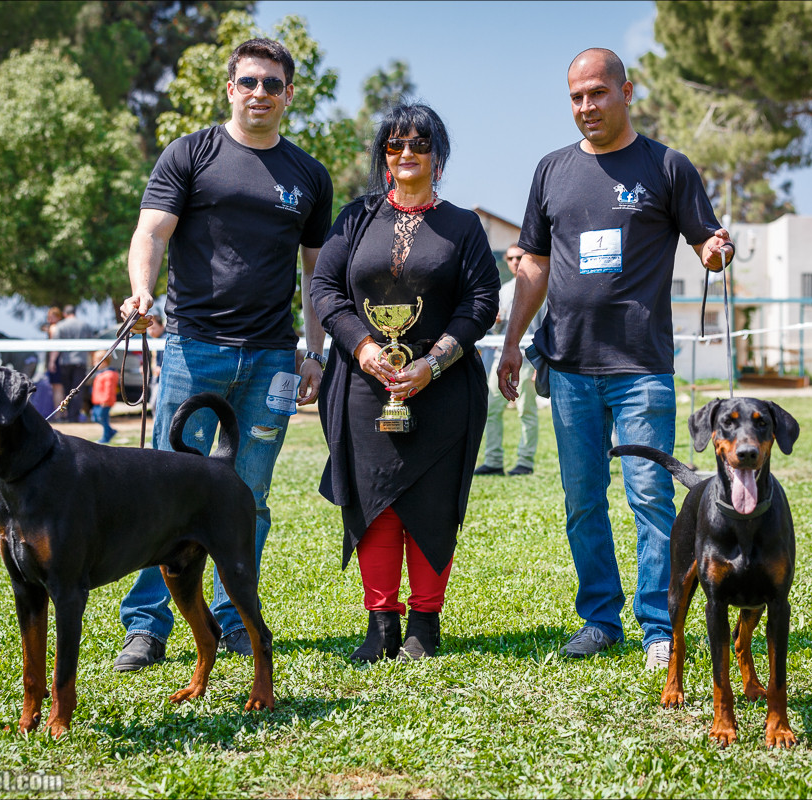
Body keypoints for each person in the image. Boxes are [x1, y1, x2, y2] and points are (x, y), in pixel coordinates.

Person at [496, 48, 735, 672]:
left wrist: (714, 249)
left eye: (598, 93)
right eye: (576, 96)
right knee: (582, 501)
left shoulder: (667, 166)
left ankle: (660, 624)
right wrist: (516, 342)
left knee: (651, 497)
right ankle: (600, 619)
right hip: (569, 367)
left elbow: (704, 236)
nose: (586, 107)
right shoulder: (551, 171)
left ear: (627, 92)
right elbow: (535, 266)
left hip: (640, 369)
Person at [113, 37, 333, 671]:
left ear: (289, 94)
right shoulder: (192, 153)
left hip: (271, 359)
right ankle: (147, 626)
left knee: (249, 497)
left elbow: (315, 276)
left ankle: (236, 619)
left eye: (272, 84)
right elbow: (151, 231)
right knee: (161, 492)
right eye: (249, 82)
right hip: (191, 346)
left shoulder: (309, 176)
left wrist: (312, 352)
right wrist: (140, 292)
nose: (259, 93)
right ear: (230, 88)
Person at [311, 103, 499, 662]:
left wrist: (432, 362)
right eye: (395, 146)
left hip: (441, 386)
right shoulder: (354, 218)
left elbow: (481, 302)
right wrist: (366, 349)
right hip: (364, 383)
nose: (407, 154)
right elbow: (325, 289)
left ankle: (423, 624)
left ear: (438, 157)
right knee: (373, 501)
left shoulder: (463, 225)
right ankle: (380, 625)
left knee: (432, 503)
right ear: (384, 157)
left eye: (420, 144)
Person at [474, 243, 544, 476]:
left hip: (528, 358)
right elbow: (497, 331)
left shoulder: (540, 287)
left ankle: (525, 462)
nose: (515, 262)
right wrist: (494, 322)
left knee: (526, 410)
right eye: (511, 258)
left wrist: (541, 365)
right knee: (492, 408)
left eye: (520, 257)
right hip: (501, 357)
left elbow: (545, 327)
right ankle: (493, 461)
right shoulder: (503, 291)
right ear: (506, 260)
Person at [51, 305, 95, 421]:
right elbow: (92, 345)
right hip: (80, 361)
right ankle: (74, 416)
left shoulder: (60, 326)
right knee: (77, 390)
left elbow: (56, 347)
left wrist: (52, 362)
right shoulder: (85, 325)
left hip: (65, 362)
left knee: (67, 390)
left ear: (65, 314)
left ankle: (68, 414)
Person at [90, 358, 120, 444]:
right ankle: (111, 431)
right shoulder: (101, 373)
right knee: (95, 418)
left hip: (104, 402)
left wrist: (106, 400)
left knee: (102, 419)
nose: (94, 363)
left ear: (104, 362)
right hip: (98, 401)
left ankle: (106, 437)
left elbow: (109, 389)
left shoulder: (109, 374)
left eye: (96, 361)